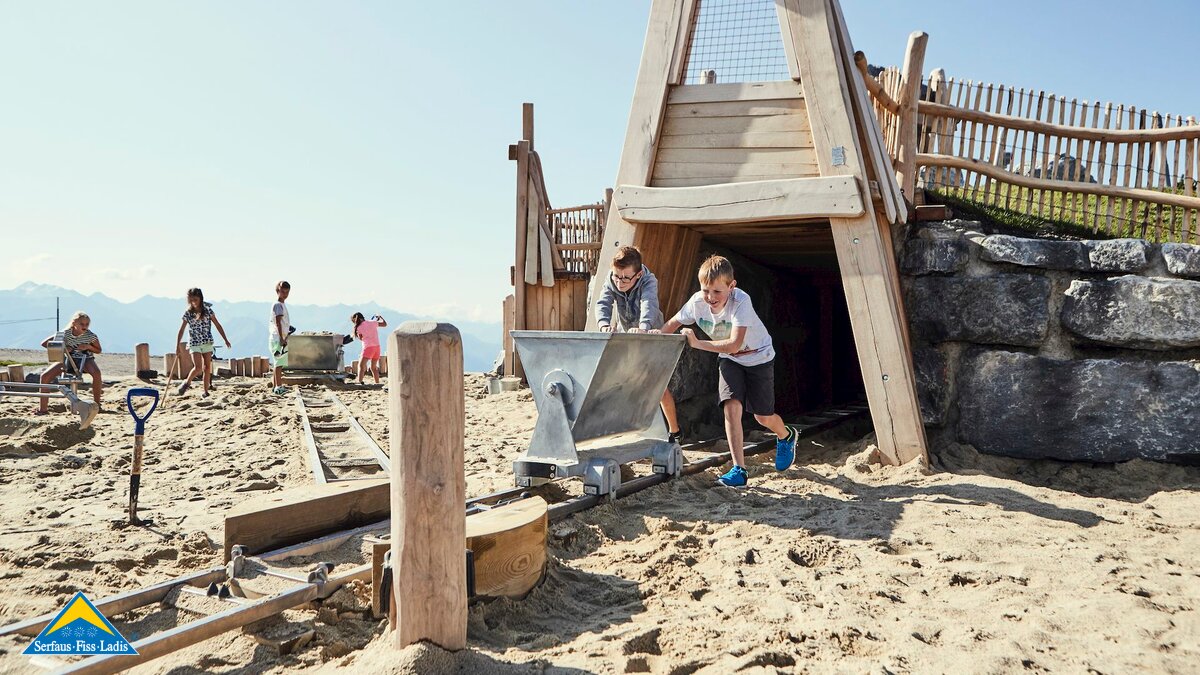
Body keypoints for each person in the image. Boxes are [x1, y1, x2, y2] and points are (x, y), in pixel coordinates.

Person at [658, 255, 798, 488]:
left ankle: (786, 436)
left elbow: (734, 344)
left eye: (717, 291)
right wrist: (655, 340)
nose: (710, 297)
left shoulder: (741, 301)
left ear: (731, 286)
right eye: (706, 290)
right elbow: (673, 322)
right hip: (730, 360)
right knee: (731, 407)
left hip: (758, 357)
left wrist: (697, 343)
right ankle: (739, 470)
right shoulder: (697, 303)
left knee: (762, 417)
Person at [595, 246, 682, 443]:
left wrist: (644, 327)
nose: (620, 282)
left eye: (626, 278)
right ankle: (629, 427)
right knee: (625, 381)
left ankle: (675, 431)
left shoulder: (649, 280)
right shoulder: (612, 279)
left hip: (651, 334)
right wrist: (603, 324)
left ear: (638, 274)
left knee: (658, 386)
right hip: (628, 335)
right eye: (617, 276)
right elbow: (603, 303)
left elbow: (648, 303)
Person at [36, 311, 103, 415]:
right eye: (82, 324)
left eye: (87, 324)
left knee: (97, 373)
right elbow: (45, 343)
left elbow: (98, 350)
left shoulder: (90, 336)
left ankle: (97, 405)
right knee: (45, 376)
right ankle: (43, 409)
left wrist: (88, 346)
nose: (85, 326)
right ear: (74, 323)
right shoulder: (64, 333)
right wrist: (63, 348)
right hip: (68, 359)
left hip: (85, 359)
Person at [173, 288, 231, 398]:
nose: (193, 302)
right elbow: (181, 330)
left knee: (207, 367)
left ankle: (205, 391)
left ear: (200, 298)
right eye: (191, 300)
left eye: (195, 299)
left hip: (207, 341)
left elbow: (217, 325)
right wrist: (177, 345)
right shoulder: (188, 313)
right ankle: (186, 383)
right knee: (198, 367)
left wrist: (225, 339)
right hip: (194, 342)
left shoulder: (208, 310)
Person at [350, 312, 388, 384]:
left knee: (361, 366)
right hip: (377, 347)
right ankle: (377, 383)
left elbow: (361, 338)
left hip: (368, 348)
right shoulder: (373, 322)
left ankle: (360, 381)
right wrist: (380, 317)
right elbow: (384, 324)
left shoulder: (358, 327)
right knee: (373, 367)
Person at [269, 281, 291, 395]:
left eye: (287, 292)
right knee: (279, 363)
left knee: (277, 362)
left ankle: (275, 386)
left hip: (278, 337)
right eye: (283, 292)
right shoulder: (278, 305)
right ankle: (278, 386)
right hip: (278, 338)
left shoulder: (281, 304)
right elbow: (278, 322)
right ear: (278, 291)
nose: (285, 294)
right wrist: (282, 338)